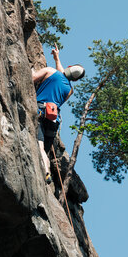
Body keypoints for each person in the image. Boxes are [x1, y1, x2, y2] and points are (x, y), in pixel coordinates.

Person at [32, 44, 85, 183]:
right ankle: (47, 172)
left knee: (39, 145)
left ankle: (45, 172)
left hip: (40, 111)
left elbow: (32, 79)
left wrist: (31, 70)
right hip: (53, 121)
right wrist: (57, 58)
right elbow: (62, 76)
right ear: (75, 80)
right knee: (45, 150)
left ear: (68, 67)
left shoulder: (49, 71)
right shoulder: (69, 91)